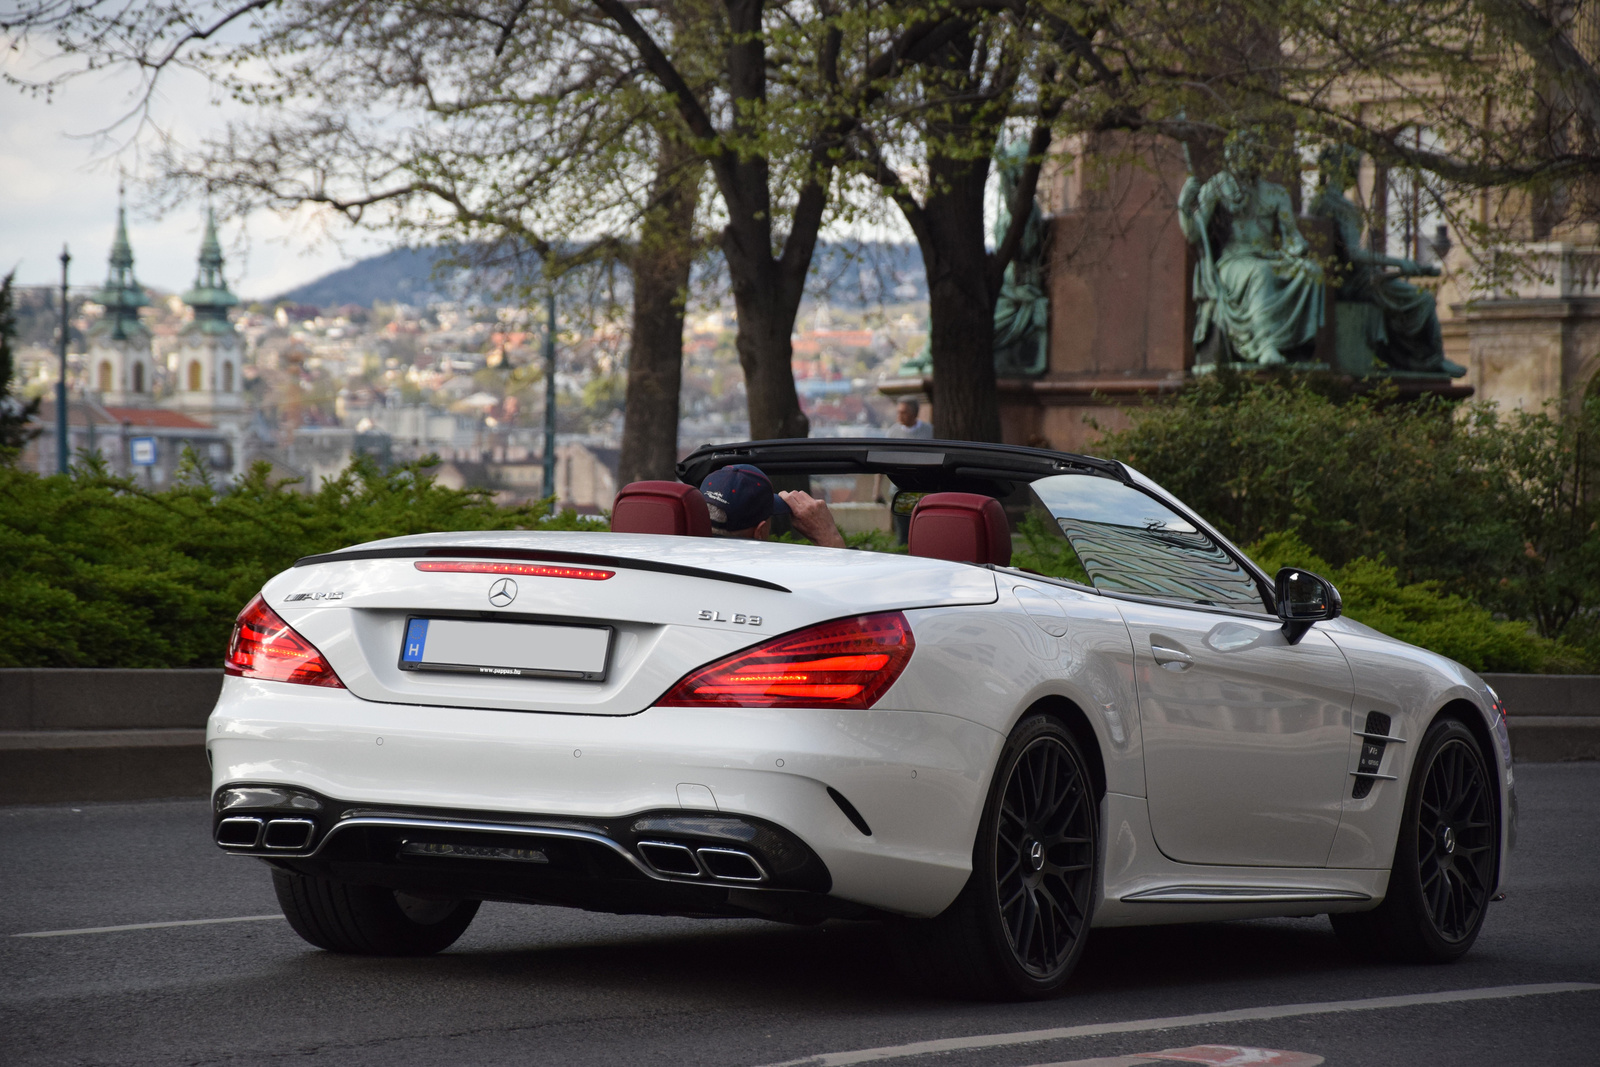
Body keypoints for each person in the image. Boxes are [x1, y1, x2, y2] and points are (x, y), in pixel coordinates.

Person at [1308, 144, 1465, 377]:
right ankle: (1431, 360)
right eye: (1353, 165)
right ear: (1341, 168)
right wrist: (1401, 263)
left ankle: (1416, 359)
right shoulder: (1337, 206)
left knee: (1413, 300)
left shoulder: (1325, 202)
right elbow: (1353, 253)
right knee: (1422, 300)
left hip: (1353, 278)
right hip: (1354, 282)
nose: (1356, 170)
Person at [1178, 130, 1325, 366]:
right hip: (1234, 261)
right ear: (1233, 155)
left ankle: (1298, 346)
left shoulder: (1276, 193)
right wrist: (1184, 205)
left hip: (1270, 255)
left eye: (1254, 152)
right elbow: (1194, 232)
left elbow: (1291, 235)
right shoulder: (1218, 186)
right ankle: (1266, 345)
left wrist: (1298, 249)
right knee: (1261, 272)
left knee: (1311, 272)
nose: (1250, 157)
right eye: (1244, 152)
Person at [700, 463, 847, 549]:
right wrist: (828, 537)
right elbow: (845, 593)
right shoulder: (772, 580)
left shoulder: (682, 565)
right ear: (760, 532)